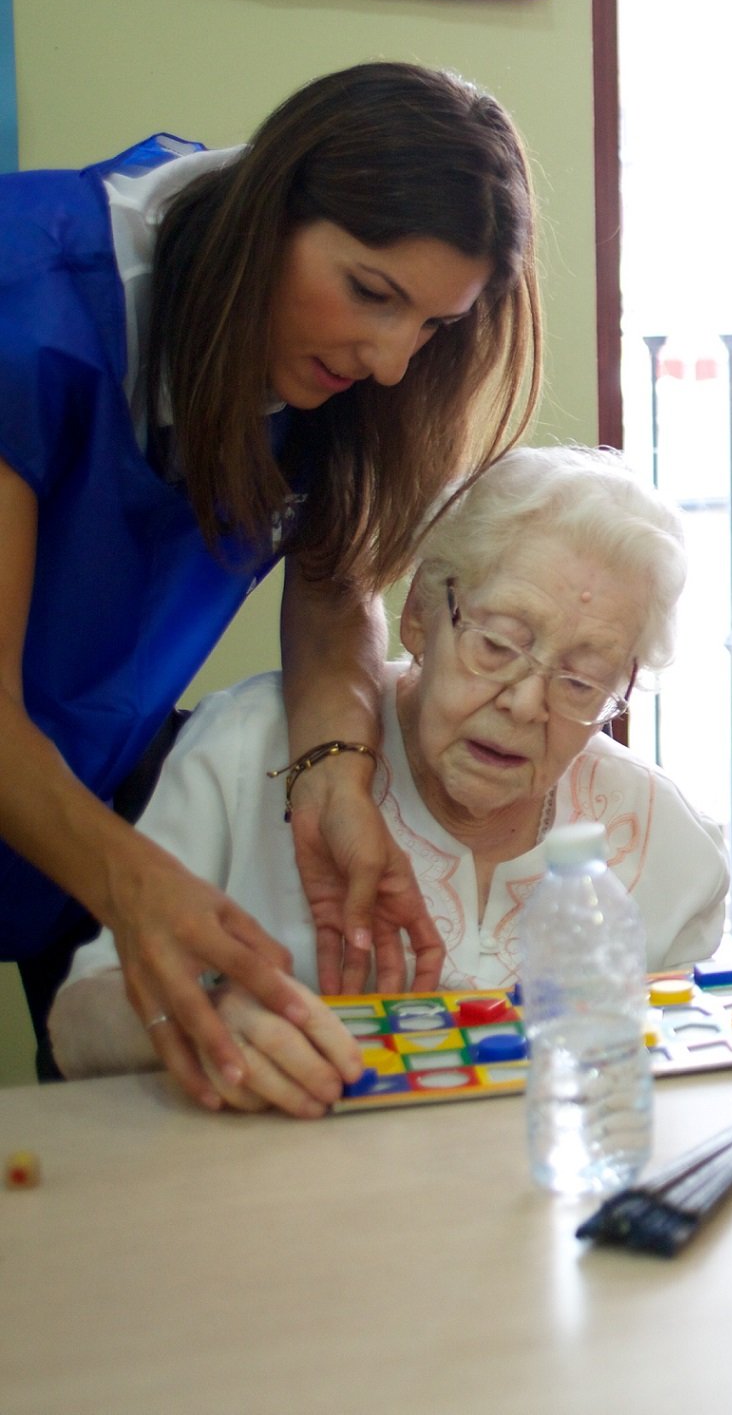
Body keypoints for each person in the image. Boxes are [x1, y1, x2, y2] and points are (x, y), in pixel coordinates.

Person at [0, 63, 543, 1102]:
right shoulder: (29, 307)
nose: (390, 360)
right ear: (270, 209)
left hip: (79, 779)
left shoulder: (338, 371)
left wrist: (332, 769)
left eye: (430, 325)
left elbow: (336, 584)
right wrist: (138, 883)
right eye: (372, 293)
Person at [48, 446, 729, 1116]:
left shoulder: (667, 843)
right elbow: (77, 1024)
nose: (526, 703)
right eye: (496, 644)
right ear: (419, 615)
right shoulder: (247, 748)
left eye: (582, 681)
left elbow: (682, 1095)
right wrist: (209, 1022)